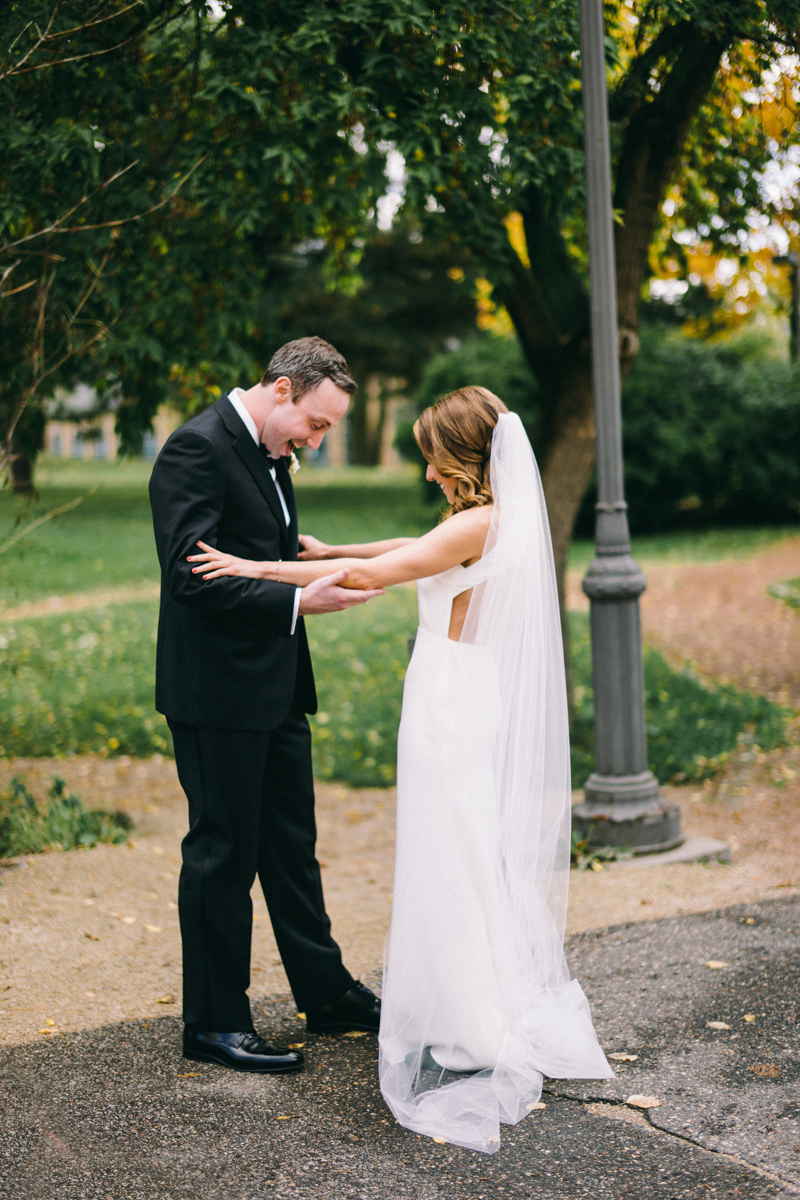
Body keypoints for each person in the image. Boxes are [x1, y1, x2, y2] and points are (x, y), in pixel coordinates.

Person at [189, 386, 612, 1146]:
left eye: (433, 459)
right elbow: (401, 550)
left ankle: (472, 1021)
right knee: (457, 848)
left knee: (449, 853)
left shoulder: (480, 521)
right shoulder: (478, 520)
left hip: (450, 703)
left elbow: (382, 577)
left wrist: (249, 566)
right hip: (457, 692)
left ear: (464, 457)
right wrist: (326, 551)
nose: (427, 474)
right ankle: (466, 1002)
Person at [149, 337, 385, 1076]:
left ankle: (327, 992)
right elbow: (191, 575)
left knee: (290, 847)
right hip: (217, 690)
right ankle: (214, 1023)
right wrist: (297, 601)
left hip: (276, 686)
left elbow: (260, 546)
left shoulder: (272, 452)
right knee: (224, 854)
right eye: (316, 424)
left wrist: (310, 563)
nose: (316, 442)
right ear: (282, 390)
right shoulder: (196, 449)